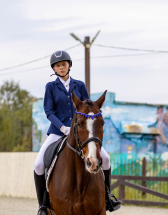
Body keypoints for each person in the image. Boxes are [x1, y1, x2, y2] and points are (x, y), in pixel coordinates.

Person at [33, 50, 121, 215]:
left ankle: (108, 197)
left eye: (63, 64)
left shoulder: (79, 85)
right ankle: (43, 206)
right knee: (38, 164)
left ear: (69, 66)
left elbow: (88, 107)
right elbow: (49, 112)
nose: (61, 68)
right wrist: (62, 127)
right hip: (58, 131)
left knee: (107, 159)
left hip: (81, 132)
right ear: (54, 68)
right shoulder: (51, 87)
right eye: (58, 65)